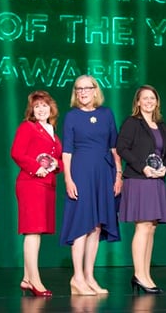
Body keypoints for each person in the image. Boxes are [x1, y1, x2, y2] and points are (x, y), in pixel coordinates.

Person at [59, 75, 122, 295]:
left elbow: (114, 148)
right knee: (81, 224)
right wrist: (68, 178)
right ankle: (76, 278)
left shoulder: (106, 114)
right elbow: (66, 151)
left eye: (87, 88)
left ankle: (89, 276)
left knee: (96, 226)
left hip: (104, 173)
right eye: (79, 89)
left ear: (95, 90)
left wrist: (118, 175)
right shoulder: (72, 117)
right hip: (81, 172)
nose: (83, 92)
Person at [117, 85, 166, 294]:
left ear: (156, 102)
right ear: (137, 102)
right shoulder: (132, 123)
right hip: (139, 179)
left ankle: (145, 273)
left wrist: (164, 168)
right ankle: (139, 274)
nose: (149, 101)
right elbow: (122, 148)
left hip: (157, 180)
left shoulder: (161, 125)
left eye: (152, 98)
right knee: (142, 226)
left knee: (151, 227)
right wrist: (143, 167)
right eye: (144, 98)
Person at [11, 90, 63, 297]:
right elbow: (16, 152)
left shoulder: (53, 131)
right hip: (31, 183)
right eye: (37, 106)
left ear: (51, 108)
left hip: (47, 185)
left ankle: (26, 278)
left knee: (38, 232)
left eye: (44, 105)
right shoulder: (27, 127)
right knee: (32, 232)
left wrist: (54, 166)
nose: (41, 109)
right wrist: (35, 167)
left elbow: (58, 159)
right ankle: (34, 280)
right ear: (32, 110)